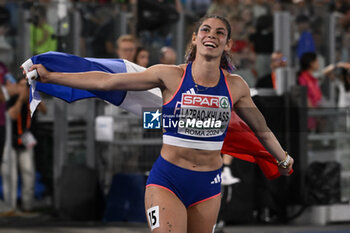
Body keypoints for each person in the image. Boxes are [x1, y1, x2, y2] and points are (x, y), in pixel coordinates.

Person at [25, 15, 293, 233]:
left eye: (220, 32)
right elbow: (105, 82)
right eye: (205, 29)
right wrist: (52, 77)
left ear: (229, 44)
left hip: (208, 184)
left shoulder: (236, 86)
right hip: (168, 179)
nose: (212, 35)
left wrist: (282, 160)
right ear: (195, 37)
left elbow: (261, 130)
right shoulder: (169, 76)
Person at [6, 78, 46, 212]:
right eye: (22, 86)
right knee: (10, 175)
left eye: (27, 86)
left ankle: (27, 206)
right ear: (17, 86)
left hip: (26, 141)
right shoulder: (10, 99)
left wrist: (34, 95)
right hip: (10, 142)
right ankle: (10, 206)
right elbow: (11, 115)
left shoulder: (32, 99)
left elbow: (44, 110)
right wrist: (20, 99)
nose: (24, 89)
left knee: (29, 173)